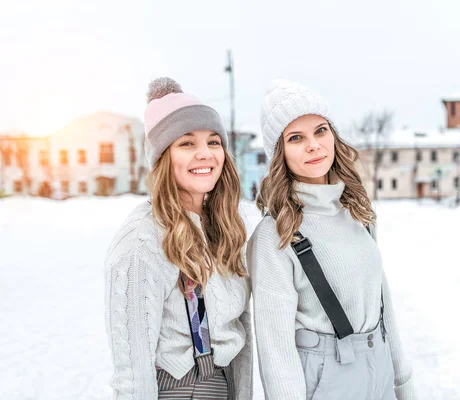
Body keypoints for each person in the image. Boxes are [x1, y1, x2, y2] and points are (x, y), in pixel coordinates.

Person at [248, 79, 415, 399]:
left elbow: (384, 307)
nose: (313, 144)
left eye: (320, 130)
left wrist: (403, 384)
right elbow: (276, 351)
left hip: (378, 371)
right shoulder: (275, 234)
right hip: (324, 379)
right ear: (279, 153)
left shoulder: (358, 213)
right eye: (296, 137)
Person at [104, 77, 252, 399]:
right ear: (162, 157)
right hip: (180, 391)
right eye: (187, 143)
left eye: (214, 142)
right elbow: (132, 372)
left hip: (225, 387)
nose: (206, 154)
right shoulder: (141, 242)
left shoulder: (222, 227)